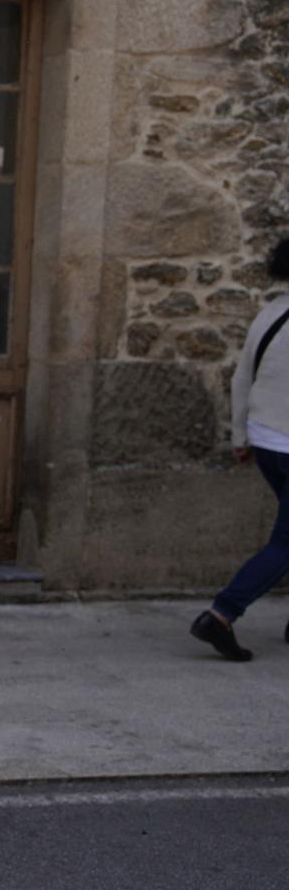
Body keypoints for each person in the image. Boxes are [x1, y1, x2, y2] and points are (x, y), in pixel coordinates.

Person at [192, 237, 289, 662]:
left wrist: (240, 438)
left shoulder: (270, 313)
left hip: (267, 441)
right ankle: (221, 614)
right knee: (286, 543)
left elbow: (242, 378)